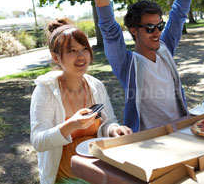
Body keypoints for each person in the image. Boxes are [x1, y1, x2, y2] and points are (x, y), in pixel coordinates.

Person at [78, 0, 203, 132]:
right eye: (150, 28)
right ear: (134, 31)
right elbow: (108, 26)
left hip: (181, 131)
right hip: (148, 140)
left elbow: (180, 9)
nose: (157, 32)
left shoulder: (165, 47)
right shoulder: (126, 64)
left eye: (160, 25)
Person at [30, 18, 132, 184]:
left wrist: (114, 129)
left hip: (99, 170)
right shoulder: (45, 90)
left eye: (84, 48)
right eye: (72, 50)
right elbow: (38, 141)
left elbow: (109, 121)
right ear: (56, 57)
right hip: (64, 177)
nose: (81, 56)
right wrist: (72, 125)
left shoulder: (96, 86)